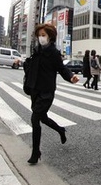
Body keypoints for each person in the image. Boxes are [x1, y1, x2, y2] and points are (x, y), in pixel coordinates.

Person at [22, 23, 79, 164]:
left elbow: (62, 68)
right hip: (35, 89)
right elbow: (33, 66)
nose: (41, 38)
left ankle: (36, 152)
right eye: (39, 35)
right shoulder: (36, 49)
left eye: (43, 35)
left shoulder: (53, 52)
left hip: (46, 92)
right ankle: (60, 130)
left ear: (50, 36)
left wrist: (71, 77)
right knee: (42, 118)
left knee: (35, 119)